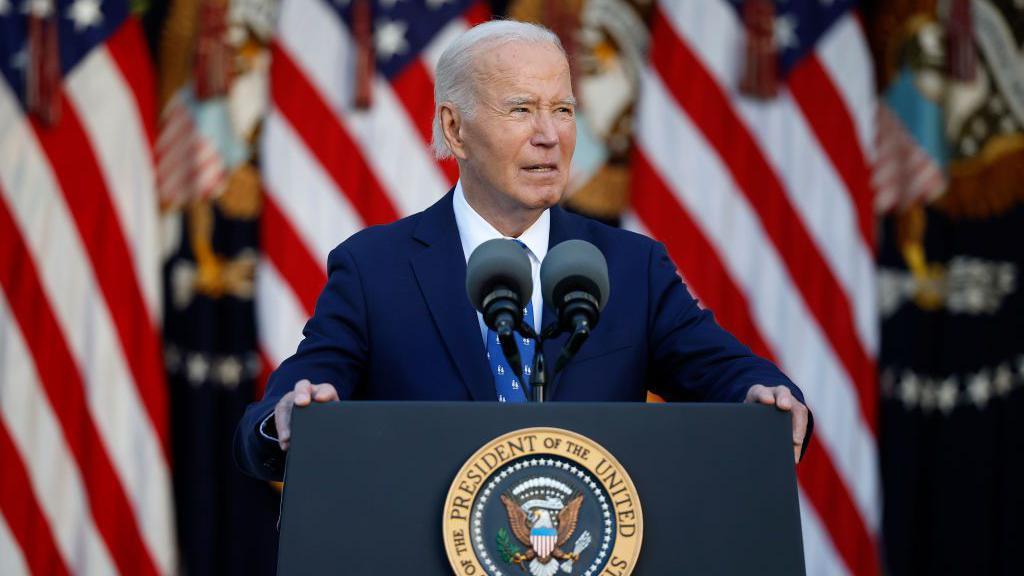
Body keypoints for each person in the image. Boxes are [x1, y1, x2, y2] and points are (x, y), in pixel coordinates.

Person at [235, 20, 811, 481]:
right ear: (455, 130)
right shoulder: (375, 269)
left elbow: (729, 374)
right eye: (521, 109)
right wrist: (288, 417)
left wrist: (766, 397)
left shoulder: (631, 268)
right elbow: (292, 397)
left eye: (562, 109)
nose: (550, 135)